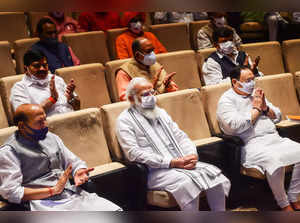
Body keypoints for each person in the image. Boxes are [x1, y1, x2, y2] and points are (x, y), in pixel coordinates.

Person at [116, 77, 231, 211]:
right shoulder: (124, 120)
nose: (151, 97)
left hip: (181, 163)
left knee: (214, 175)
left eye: (152, 92)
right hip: (154, 171)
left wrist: (191, 155)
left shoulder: (161, 112)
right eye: (145, 94)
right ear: (131, 99)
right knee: (188, 184)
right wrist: (172, 162)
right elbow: (133, 153)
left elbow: (181, 136)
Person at [0, 104, 122, 211]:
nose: (45, 125)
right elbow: (11, 192)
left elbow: (74, 162)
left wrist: (78, 171)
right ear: (22, 126)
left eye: (45, 120)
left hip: (70, 194)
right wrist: (52, 190)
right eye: (39, 122)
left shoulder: (52, 137)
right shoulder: (9, 151)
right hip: (43, 204)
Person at [216, 66, 300, 211]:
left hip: (274, 138)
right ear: (235, 82)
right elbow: (235, 126)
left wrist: (266, 108)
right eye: (247, 80)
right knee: (274, 160)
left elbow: (278, 115)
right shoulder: (226, 101)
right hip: (251, 145)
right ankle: (283, 203)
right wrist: (256, 109)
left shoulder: (255, 94)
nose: (252, 83)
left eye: (253, 79)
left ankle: (294, 195)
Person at [10, 50, 80, 117]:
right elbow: (24, 116)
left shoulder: (57, 79)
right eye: (37, 66)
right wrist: (52, 99)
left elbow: (77, 107)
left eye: (44, 65)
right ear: (26, 69)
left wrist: (71, 98)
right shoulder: (20, 88)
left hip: (73, 120)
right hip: (49, 126)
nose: (42, 69)